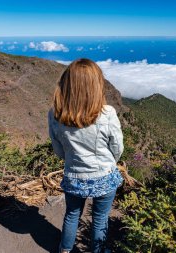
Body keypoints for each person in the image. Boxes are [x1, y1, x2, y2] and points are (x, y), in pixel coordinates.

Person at [48, 58, 124, 253]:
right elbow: (117, 147)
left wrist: (73, 161)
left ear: (67, 84)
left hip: (73, 176)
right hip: (104, 176)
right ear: (97, 85)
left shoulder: (55, 114)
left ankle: (65, 250)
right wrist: (109, 163)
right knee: (100, 219)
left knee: (72, 215)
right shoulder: (107, 113)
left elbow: (58, 149)